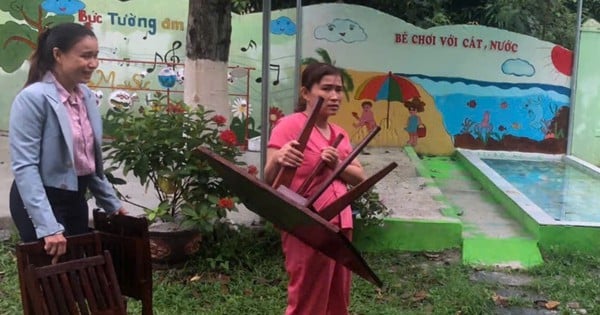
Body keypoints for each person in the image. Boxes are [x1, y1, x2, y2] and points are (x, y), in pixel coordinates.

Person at [9, 23, 126, 259]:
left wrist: (112, 203)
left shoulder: (87, 97)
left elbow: (88, 162)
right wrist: (48, 226)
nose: (93, 63)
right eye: (85, 56)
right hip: (39, 198)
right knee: (48, 278)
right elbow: (25, 166)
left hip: (74, 198)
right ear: (58, 55)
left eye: (95, 56)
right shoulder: (33, 99)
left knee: (76, 272)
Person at [264, 62, 366, 315]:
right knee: (308, 293)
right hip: (305, 222)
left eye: (339, 90)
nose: (334, 96)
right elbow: (268, 179)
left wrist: (336, 164)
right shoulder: (289, 126)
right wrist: (279, 159)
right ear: (306, 93)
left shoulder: (338, 132)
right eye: (326, 88)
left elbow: (359, 177)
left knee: (337, 293)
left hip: (340, 222)